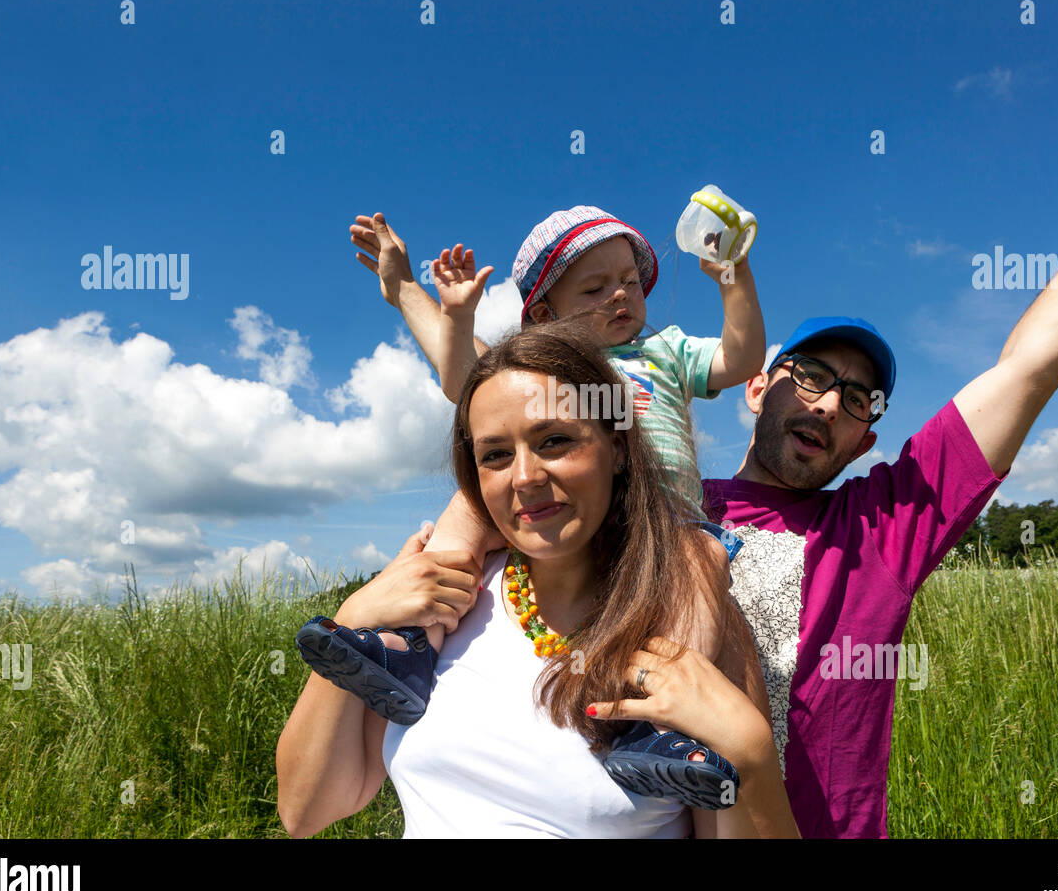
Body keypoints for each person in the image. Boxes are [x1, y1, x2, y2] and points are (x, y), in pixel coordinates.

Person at [372, 70, 1058, 837]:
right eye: (809, 374)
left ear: (868, 438)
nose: (830, 401)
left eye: (859, 399)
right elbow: (495, 416)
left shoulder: (883, 528)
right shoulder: (618, 498)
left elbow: (1030, 366)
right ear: (753, 388)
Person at [276, 320, 799, 838]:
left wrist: (749, 754)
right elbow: (307, 811)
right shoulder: (442, 603)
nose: (525, 477)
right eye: (495, 455)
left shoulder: (695, 618)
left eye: (554, 440)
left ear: (617, 448)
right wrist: (351, 620)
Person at [332, 204, 765, 805]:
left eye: (632, 282)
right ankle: (408, 645)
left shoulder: (662, 351)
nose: (622, 294)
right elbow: (468, 382)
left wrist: (731, 273)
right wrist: (429, 301)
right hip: (567, 511)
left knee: (700, 559)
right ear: (542, 314)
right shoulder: (540, 376)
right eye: (595, 286)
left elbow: (741, 358)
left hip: (663, 519)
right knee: (467, 507)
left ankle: (658, 726)